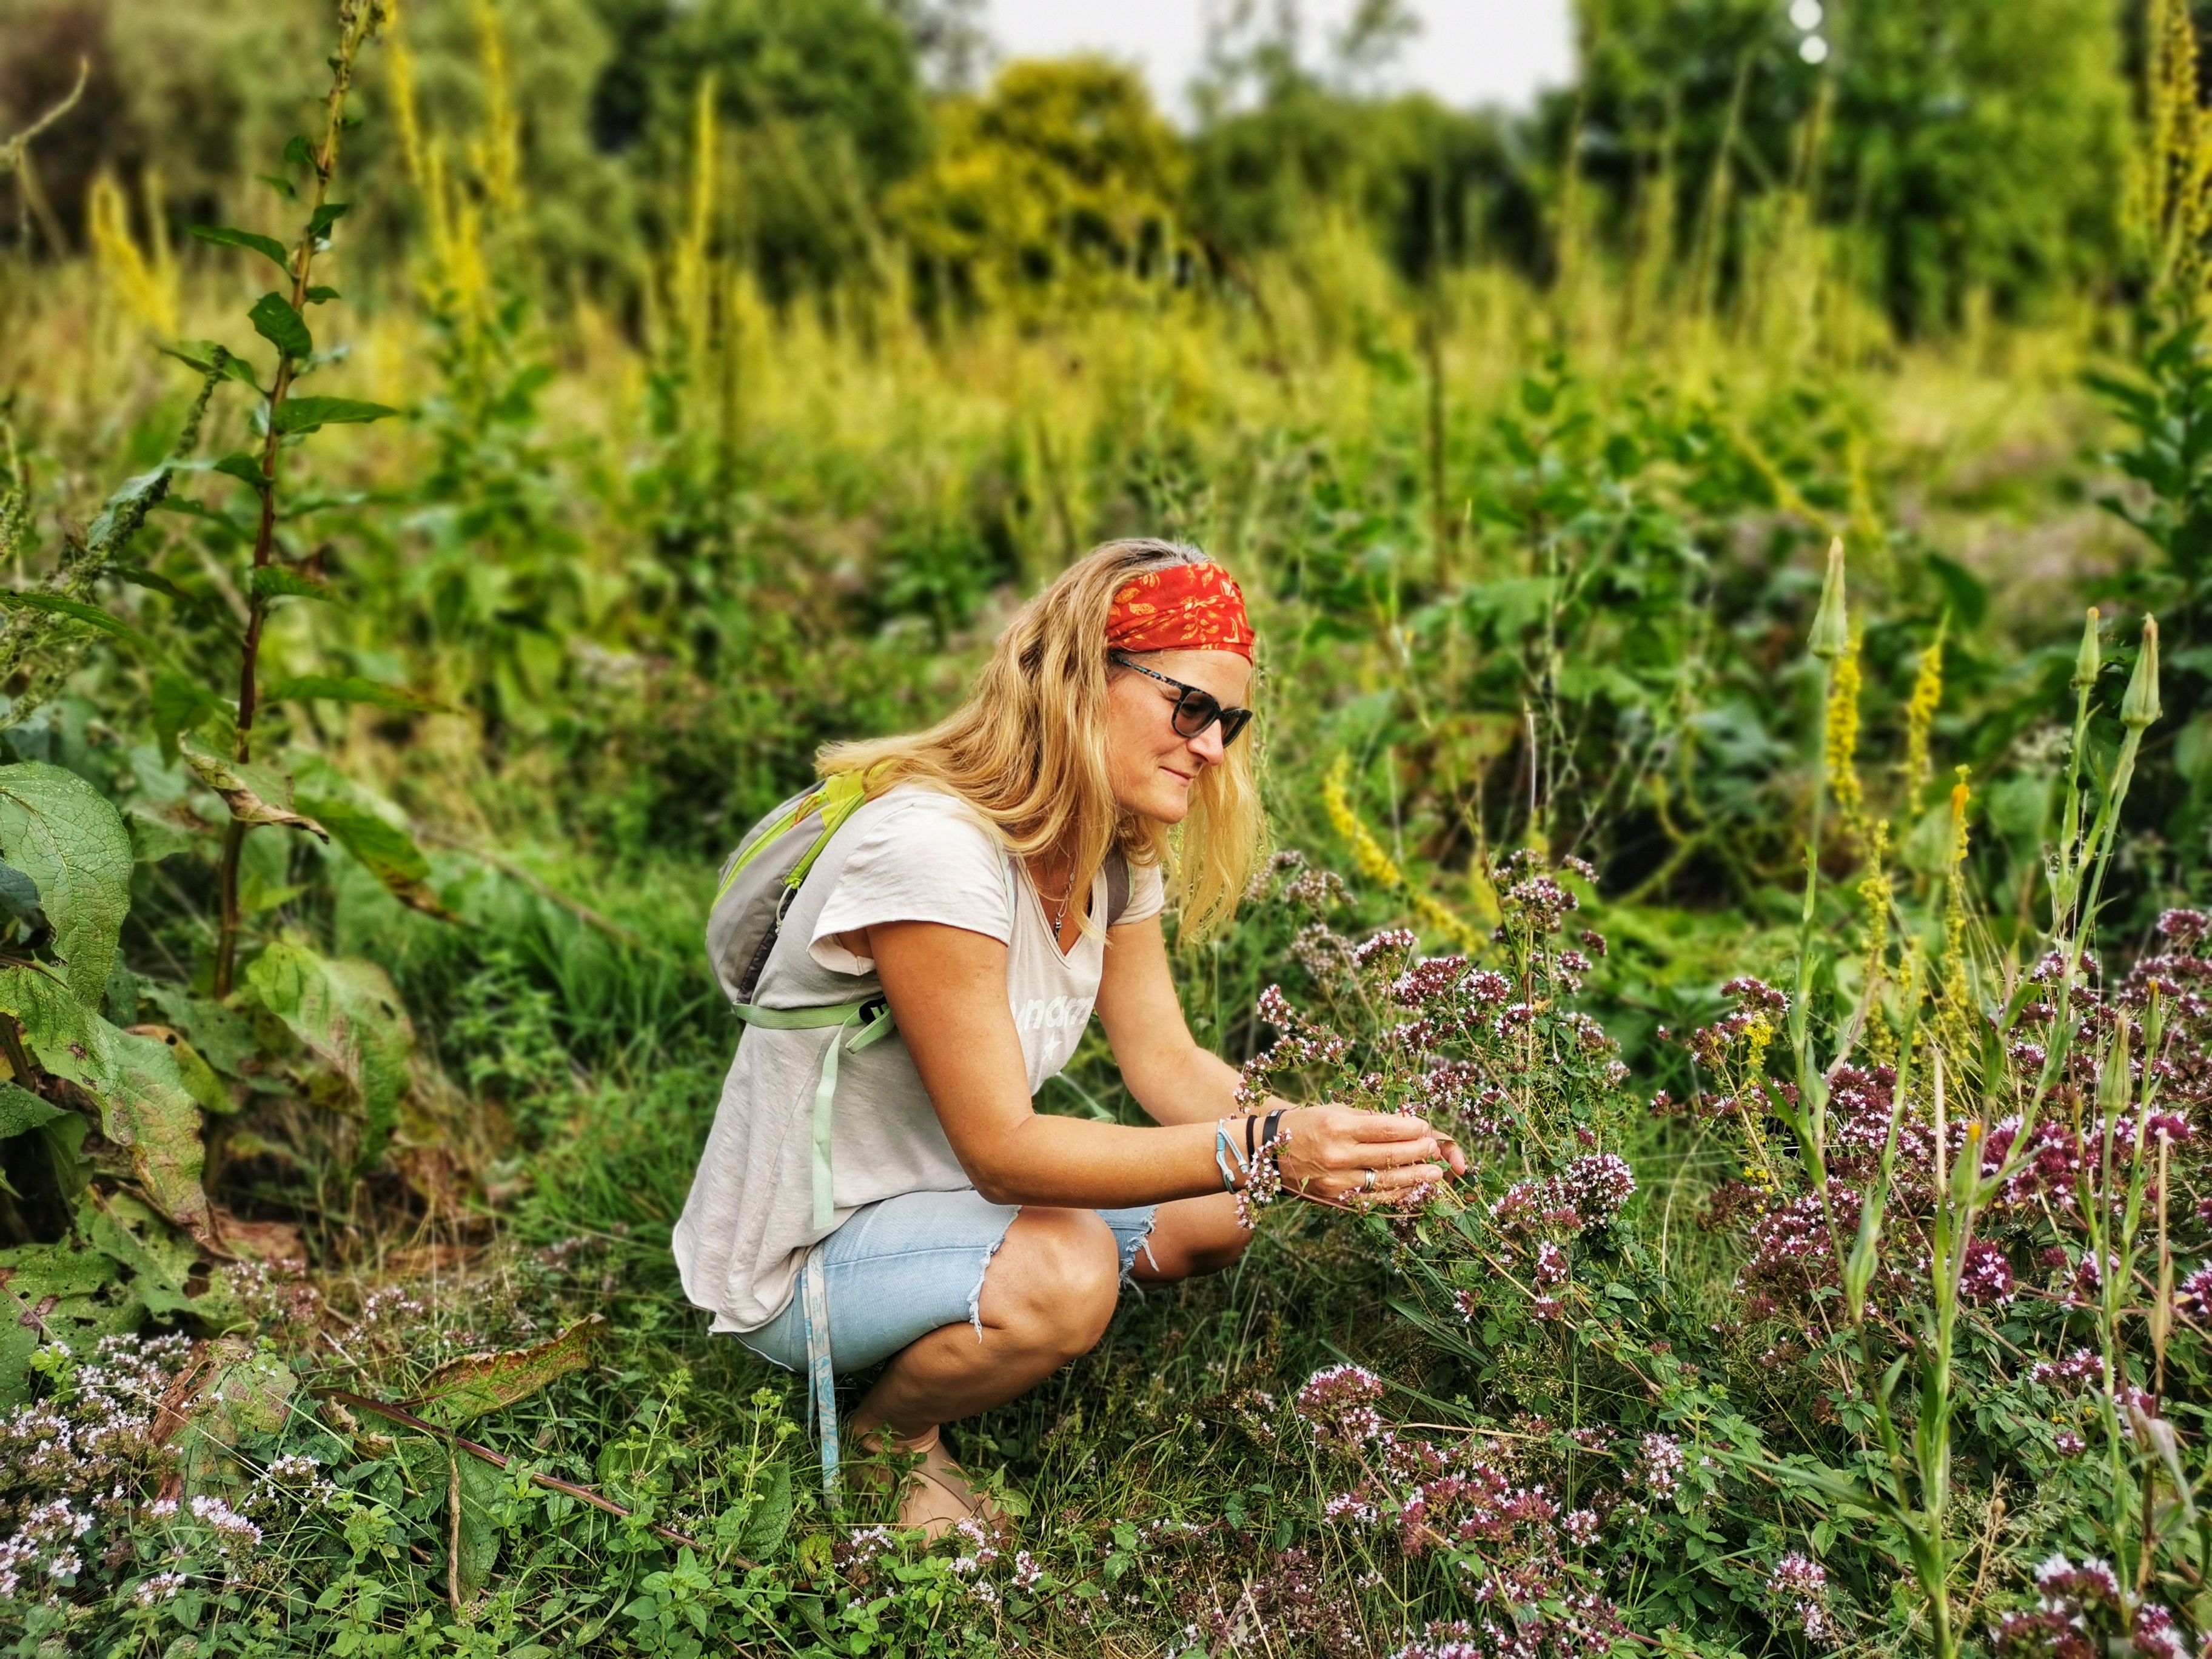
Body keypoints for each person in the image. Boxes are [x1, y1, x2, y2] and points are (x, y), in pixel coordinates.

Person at [674, 538, 1463, 1536]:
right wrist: (1265, 1146)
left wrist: (1338, 1144)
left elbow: (1166, 1062)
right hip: (802, 1258)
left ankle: (983, 1303)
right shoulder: (934, 850)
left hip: (940, 1202)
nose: (1213, 748)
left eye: (1229, 722)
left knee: (1228, 1207)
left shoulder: (1114, 851)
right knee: (1071, 1268)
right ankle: (890, 1441)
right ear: (1082, 676)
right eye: (1191, 707)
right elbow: (1003, 1152)